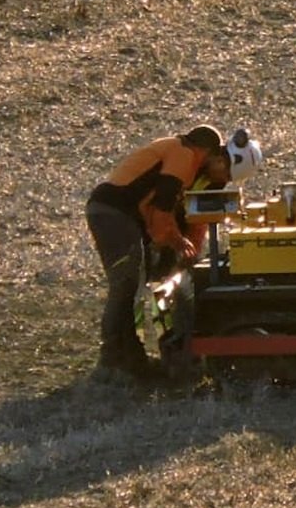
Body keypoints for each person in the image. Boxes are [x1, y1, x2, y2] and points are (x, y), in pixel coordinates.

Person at [84, 124, 235, 382]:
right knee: (126, 282)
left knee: (136, 282)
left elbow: (188, 222)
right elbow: (161, 210)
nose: (225, 179)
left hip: (122, 216)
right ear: (211, 153)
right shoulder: (183, 155)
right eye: (227, 172)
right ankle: (112, 359)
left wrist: (185, 254)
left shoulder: (188, 162)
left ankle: (133, 358)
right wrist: (177, 243)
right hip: (114, 213)